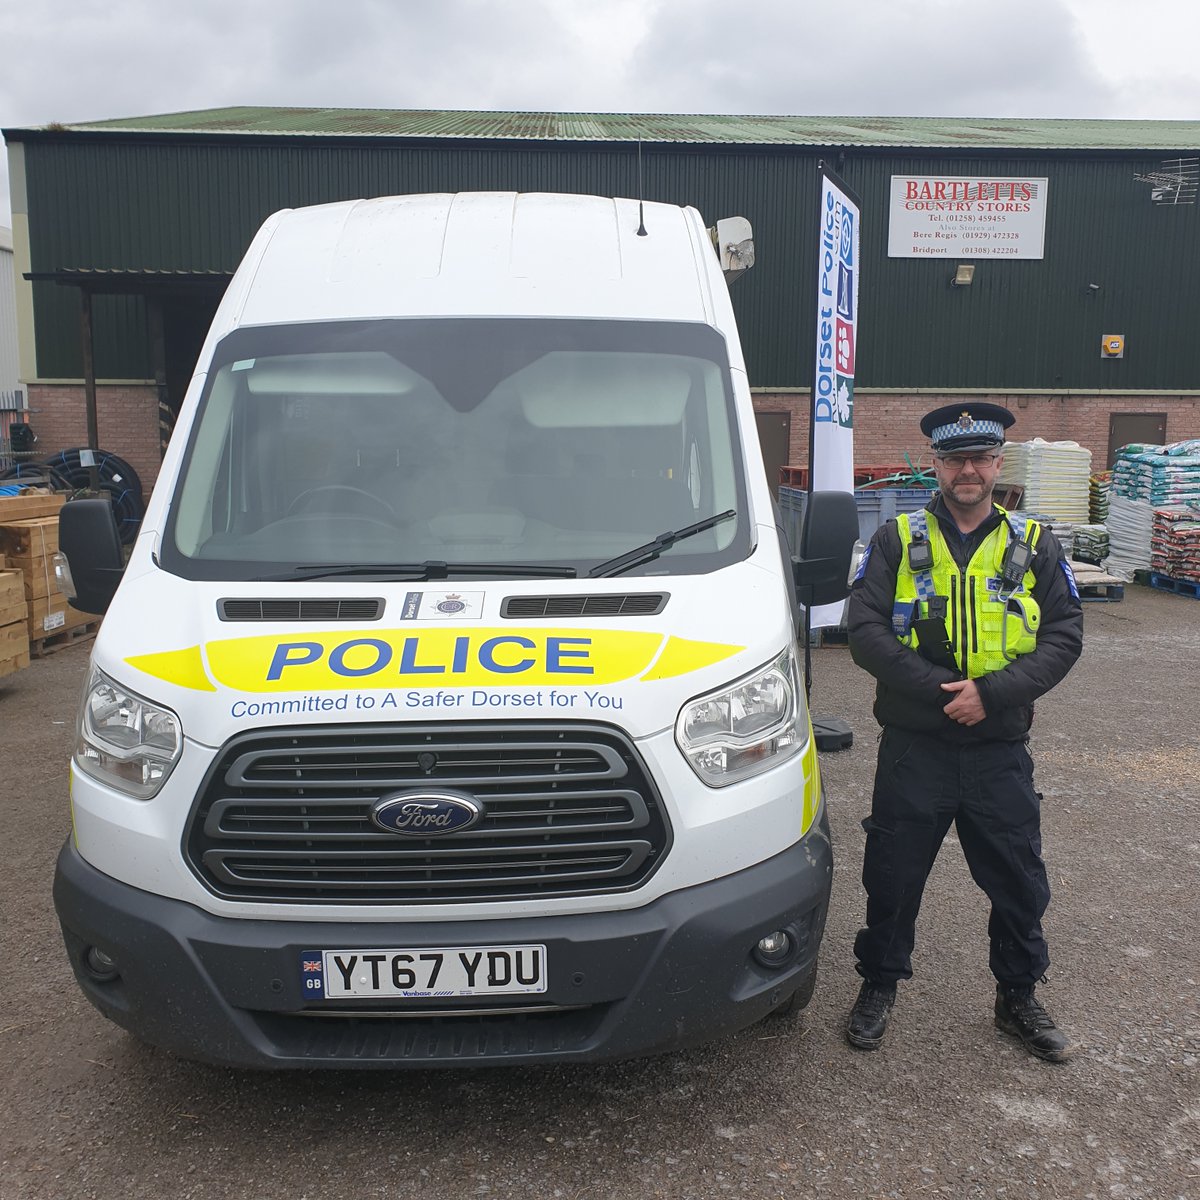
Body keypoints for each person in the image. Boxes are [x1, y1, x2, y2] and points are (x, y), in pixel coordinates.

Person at [844, 403, 1084, 1061]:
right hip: (915, 747)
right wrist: (943, 694)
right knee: (891, 876)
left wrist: (992, 696)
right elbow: (861, 631)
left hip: (997, 748)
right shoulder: (895, 540)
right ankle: (878, 985)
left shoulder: (1035, 544)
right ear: (936, 465)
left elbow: (1065, 635)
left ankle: (1018, 998)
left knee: (1017, 879)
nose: (968, 471)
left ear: (999, 463)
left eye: (980, 458)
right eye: (955, 459)